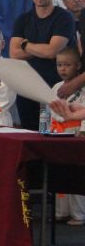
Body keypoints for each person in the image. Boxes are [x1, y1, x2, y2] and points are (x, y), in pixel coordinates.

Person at [9, 0, 76, 130]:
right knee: (28, 131)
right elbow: (14, 53)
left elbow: (52, 52)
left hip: (56, 85)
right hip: (27, 85)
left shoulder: (64, 17)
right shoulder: (23, 19)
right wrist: (43, 48)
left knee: (54, 131)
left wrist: (25, 45)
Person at [48, 47, 85, 225]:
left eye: (67, 65)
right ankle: (61, 211)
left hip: (76, 132)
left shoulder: (82, 88)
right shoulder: (56, 87)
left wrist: (83, 131)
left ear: (78, 66)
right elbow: (50, 111)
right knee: (60, 172)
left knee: (75, 174)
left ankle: (79, 214)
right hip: (59, 133)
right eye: (59, 65)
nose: (62, 69)